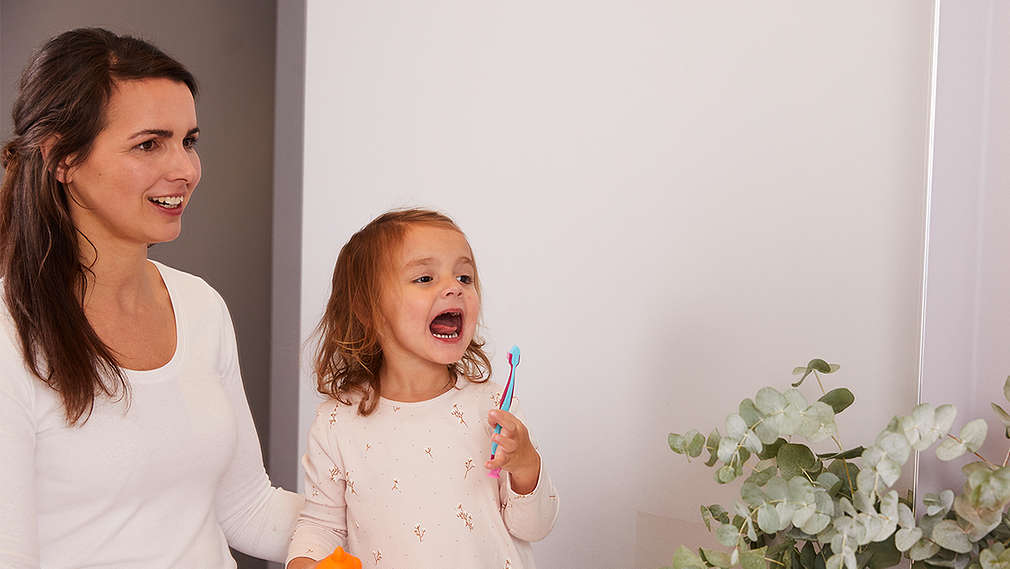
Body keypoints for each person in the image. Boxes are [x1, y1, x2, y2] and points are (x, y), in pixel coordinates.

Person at [0, 28, 302, 568]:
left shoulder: (200, 306)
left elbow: (248, 509)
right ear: (61, 158)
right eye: (149, 144)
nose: (185, 170)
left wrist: (402, 515)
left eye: (189, 141)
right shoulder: (9, 334)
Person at [286, 209, 559, 569]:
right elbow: (321, 526)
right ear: (368, 309)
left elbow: (534, 526)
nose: (454, 287)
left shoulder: (494, 407)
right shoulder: (337, 422)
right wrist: (305, 562)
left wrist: (525, 465)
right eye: (425, 278)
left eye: (464, 277)